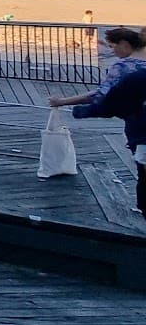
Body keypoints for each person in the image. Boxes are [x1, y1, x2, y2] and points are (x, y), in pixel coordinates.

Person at [50, 27, 146, 212]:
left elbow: (102, 97)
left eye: (113, 47)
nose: (112, 52)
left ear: (124, 44)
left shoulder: (125, 68)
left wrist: (66, 104)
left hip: (140, 129)